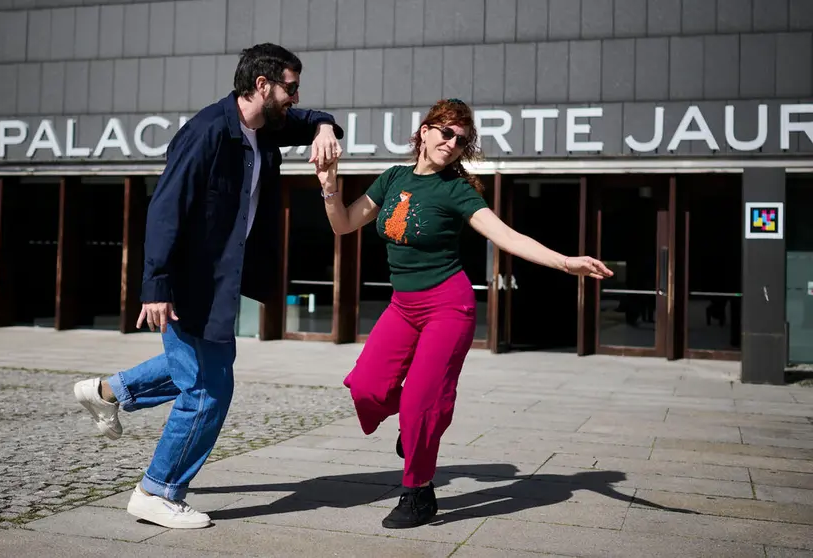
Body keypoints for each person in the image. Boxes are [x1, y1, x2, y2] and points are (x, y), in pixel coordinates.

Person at [74, 43, 343, 530]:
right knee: (207, 389)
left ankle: (107, 392)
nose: (296, 97)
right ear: (262, 85)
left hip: (221, 281)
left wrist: (324, 127)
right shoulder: (206, 132)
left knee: (193, 367)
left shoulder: (267, 126)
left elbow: (310, 119)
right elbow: (165, 209)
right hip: (187, 283)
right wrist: (155, 286)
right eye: (291, 87)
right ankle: (157, 491)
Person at [314, 98, 613, 529]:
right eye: (446, 132)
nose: (452, 143)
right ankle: (418, 423)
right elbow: (342, 223)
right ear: (425, 131)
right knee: (365, 388)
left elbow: (508, 237)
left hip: (448, 306)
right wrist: (329, 183)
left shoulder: (456, 191)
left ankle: (418, 493)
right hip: (402, 306)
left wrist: (566, 263)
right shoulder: (393, 178)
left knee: (420, 401)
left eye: (461, 139)